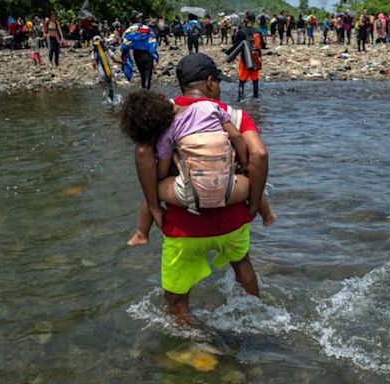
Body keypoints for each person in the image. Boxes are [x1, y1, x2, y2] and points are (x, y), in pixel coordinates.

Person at [126, 52, 269, 324]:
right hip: (233, 220)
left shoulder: (163, 114)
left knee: (177, 300)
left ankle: (196, 350)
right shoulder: (234, 115)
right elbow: (259, 155)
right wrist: (253, 205)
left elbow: (144, 152)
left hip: (184, 225)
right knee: (242, 265)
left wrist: (154, 206)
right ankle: (256, 322)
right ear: (211, 82)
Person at [229, 12, 263, 101]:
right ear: (254, 20)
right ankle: (256, 97)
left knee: (242, 79)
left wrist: (233, 56)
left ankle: (240, 98)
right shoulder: (257, 32)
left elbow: (236, 45)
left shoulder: (241, 31)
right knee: (255, 80)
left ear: (246, 20)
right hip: (255, 58)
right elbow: (262, 45)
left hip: (245, 58)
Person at [120, 11, 159, 89]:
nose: (141, 19)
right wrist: (155, 55)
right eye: (140, 17)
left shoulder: (129, 30)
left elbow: (125, 43)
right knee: (148, 76)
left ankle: (143, 95)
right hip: (147, 54)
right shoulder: (145, 28)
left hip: (137, 55)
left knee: (142, 76)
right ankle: (147, 95)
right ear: (137, 19)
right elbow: (153, 41)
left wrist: (123, 56)